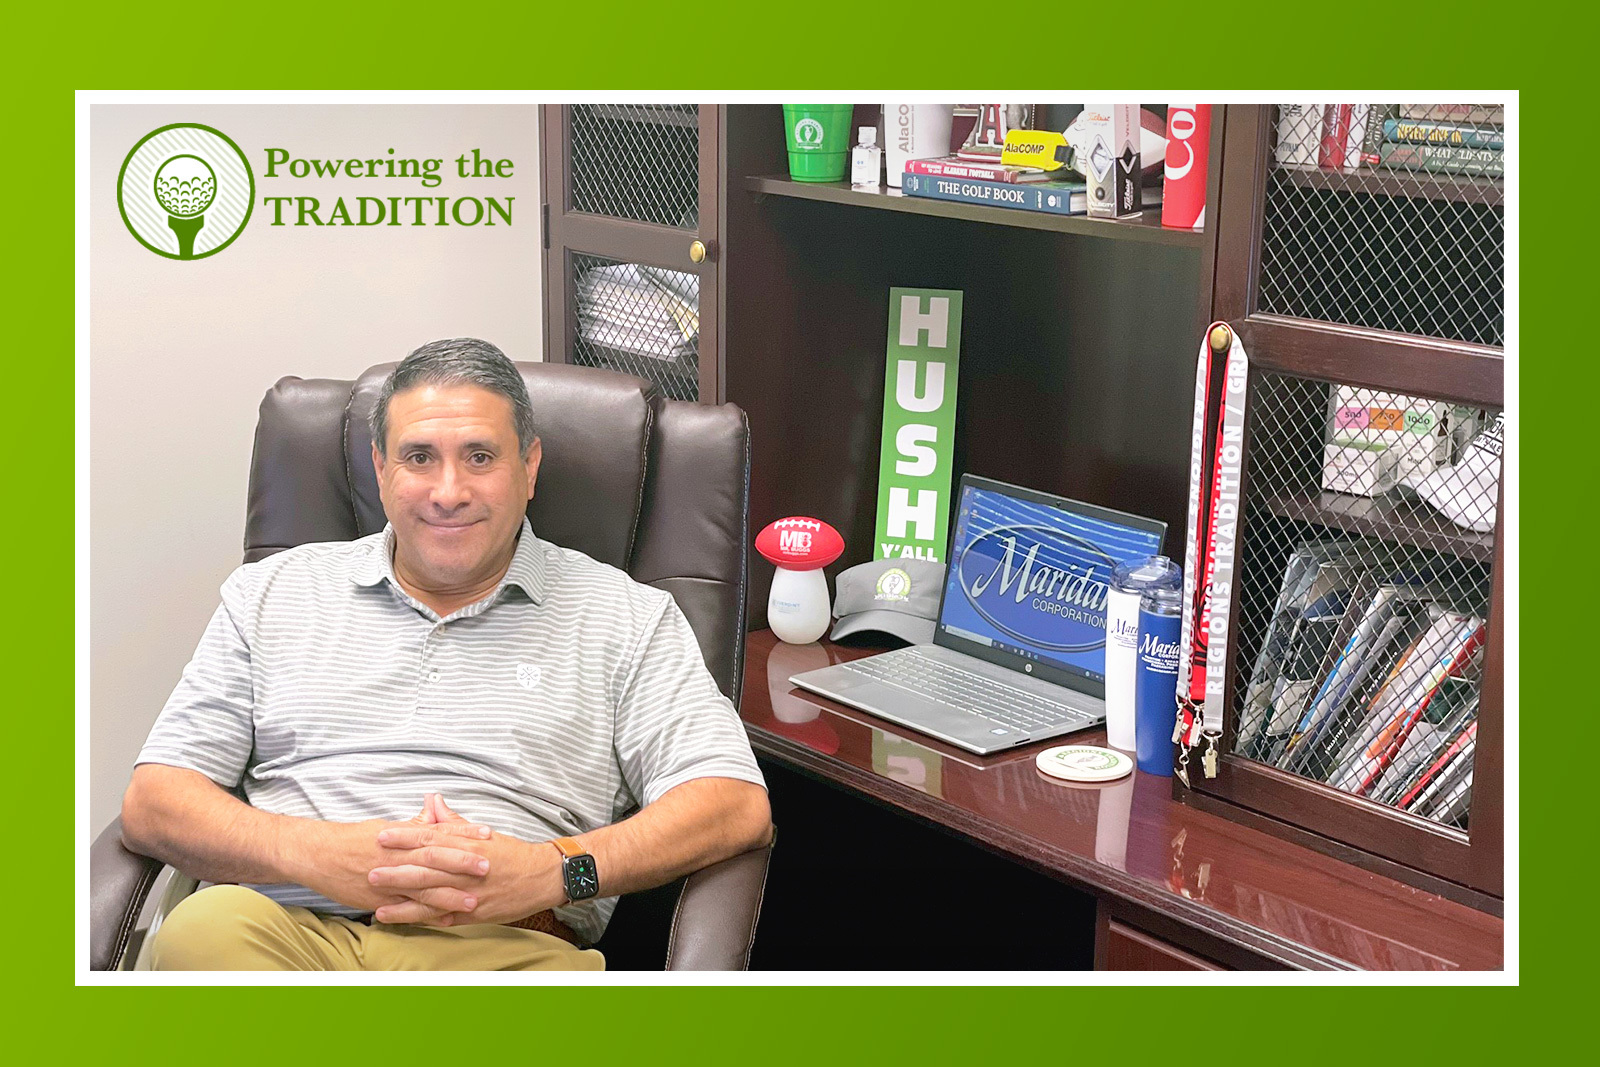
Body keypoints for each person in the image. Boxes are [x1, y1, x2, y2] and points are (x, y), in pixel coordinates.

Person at [120, 338, 771, 970]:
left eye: (481, 456)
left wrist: (555, 869)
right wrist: (314, 853)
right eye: (419, 457)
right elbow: (156, 803)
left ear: (530, 466)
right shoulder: (270, 594)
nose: (448, 490)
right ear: (380, 468)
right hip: (278, 936)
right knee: (197, 937)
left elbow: (733, 804)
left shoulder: (625, 616)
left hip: (499, 949)